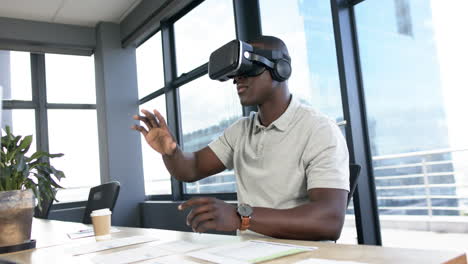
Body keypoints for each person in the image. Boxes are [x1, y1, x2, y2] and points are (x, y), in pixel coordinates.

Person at [132, 36, 349, 241]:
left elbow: (329, 220)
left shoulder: (318, 129)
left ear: (281, 70)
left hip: (304, 256)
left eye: (248, 69)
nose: (237, 79)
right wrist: (171, 152)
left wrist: (241, 216)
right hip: (248, 253)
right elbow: (191, 169)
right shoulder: (241, 131)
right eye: (235, 73)